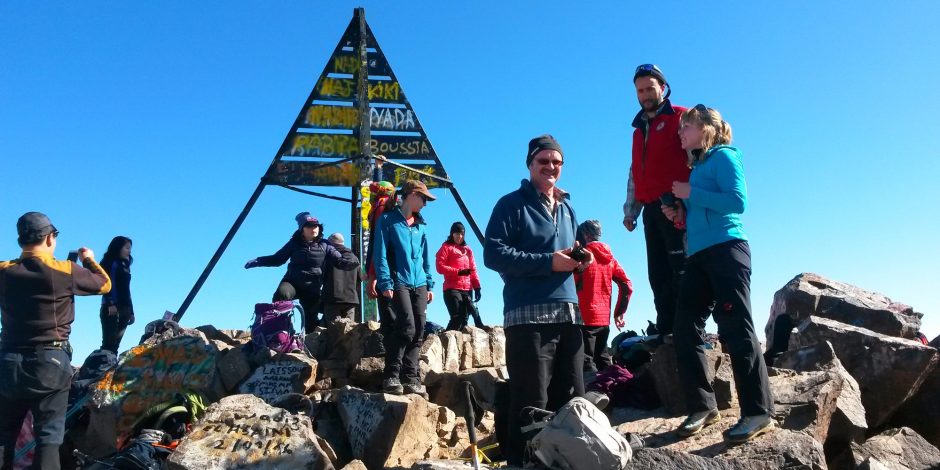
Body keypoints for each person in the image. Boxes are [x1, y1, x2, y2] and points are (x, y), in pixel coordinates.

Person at [664, 105, 774, 442]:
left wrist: (690, 193)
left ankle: (757, 412)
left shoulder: (726, 156)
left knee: (735, 327)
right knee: (684, 326)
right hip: (698, 254)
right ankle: (703, 406)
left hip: (728, 250)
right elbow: (705, 210)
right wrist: (680, 212)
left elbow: (737, 202)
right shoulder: (696, 168)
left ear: (706, 129)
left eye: (687, 127)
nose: (680, 133)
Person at [483, 134, 593, 466]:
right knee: (531, 402)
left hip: (569, 315)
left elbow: (565, 249)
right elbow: (493, 254)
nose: (550, 167)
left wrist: (579, 256)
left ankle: (561, 461)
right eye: (543, 161)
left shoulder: (568, 207)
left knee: (571, 397)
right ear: (530, 164)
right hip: (527, 318)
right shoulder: (510, 204)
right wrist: (548, 262)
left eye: (556, 162)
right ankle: (521, 462)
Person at [1, 212, 111, 470]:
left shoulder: (4, 270)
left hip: (7, 361)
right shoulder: (65, 270)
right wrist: (89, 260)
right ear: (50, 238)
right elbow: (104, 284)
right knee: (48, 439)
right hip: (49, 361)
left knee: (3, 436)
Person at [622, 64, 691, 338]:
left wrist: (688, 200)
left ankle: (688, 328)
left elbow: (698, 158)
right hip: (651, 209)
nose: (645, 94)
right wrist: (631, 211)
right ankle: (666, 330)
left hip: (677, 206)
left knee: (682, 268)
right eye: (640, 90)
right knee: (657, 272)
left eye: (650, 88)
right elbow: (635, 170)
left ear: (662, 87)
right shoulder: (638, 131)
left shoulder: (682, 117)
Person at [245, 212, 359, 333]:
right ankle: (283, 330)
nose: (314, 229)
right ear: (302, 229)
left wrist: (351, 262)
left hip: (311, 287)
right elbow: (278, 259)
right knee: (281, 294)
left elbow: (338, 260)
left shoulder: (325, 245)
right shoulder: (294, 244)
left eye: (316, 226)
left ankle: (307, 343)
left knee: (310, 321)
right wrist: (259, 261)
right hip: (292, 282)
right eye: (309, 226)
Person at [373, 179, 436, 396]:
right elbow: (379, 253)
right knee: (406, 327)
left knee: (419, 329)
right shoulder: (388, 220)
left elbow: (425, 258)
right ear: (410, 195)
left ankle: (411, 378)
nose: (426, 204)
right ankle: (391, 375)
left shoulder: (422, 225)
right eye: (424, 198)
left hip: (419, 283)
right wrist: (384, 281)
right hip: (398, 280)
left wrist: (429, 283)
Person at [574, 220, 633, 374]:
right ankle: (614, 390)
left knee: (586, 363)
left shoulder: (581, 255)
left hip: (583, 318)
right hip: (603, 319)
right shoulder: (610, 259)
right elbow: (626, 285)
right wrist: (619, 312)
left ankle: (593, 394)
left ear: (585, 234)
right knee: (603, 359)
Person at [436, 221, 484, 331]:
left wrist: (477, 287)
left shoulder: (468, 250)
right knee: (457, 318)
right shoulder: (446, 247)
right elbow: (440, 267)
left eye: (462, 234)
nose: (460, 236)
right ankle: (443, 343)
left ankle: (459, 347)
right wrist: (459, 272)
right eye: (457, 234)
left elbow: (473, 270)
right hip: (451, 288)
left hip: (467, 289)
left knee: (464, 321)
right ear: (452, 234)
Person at [98, 236, 135, 354]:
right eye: (127, 248)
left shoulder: (125, 266)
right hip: (111, 307)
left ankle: (111, 368)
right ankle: (102, 368)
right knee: (109, 343)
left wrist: (131, 311)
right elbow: (107, 284)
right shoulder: (110, 263)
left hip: (125, 308)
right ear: (118, 248)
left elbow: (127, 290)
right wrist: (110, 303)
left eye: (130, 248)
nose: (129, 251)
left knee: (116, 345)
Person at [320, 232, 361, 323]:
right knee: (349, 331)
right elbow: (360, 278)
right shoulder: (354, 258)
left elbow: (320, 276)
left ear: (330, 243)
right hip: (350, 300)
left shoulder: (328, 257)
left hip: (332, 299)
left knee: (333, 331)